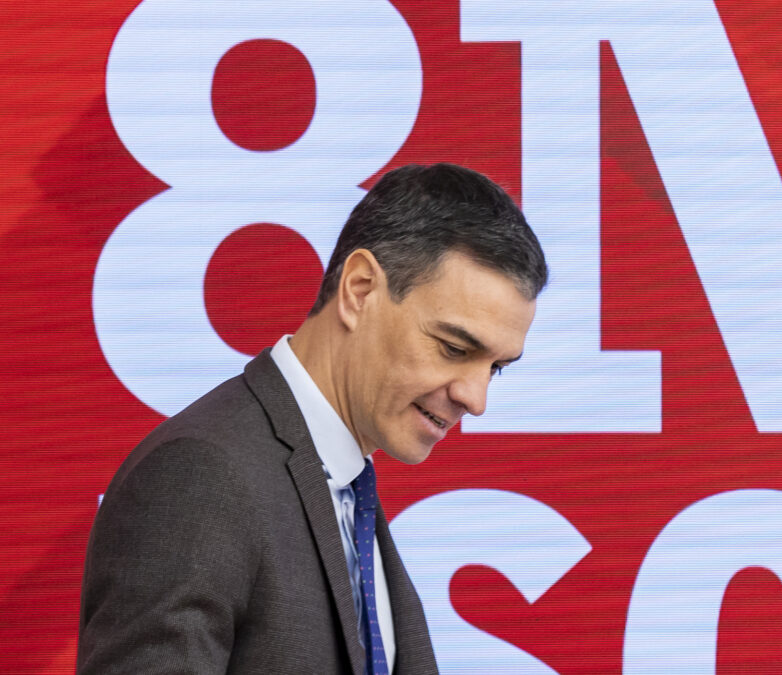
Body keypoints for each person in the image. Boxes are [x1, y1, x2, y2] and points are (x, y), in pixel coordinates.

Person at [78, 163, 547, 674]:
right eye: (455, 348)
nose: (475, 399)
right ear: (360, 289)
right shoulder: (200, 474)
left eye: (496, 368)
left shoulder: (343, 488)